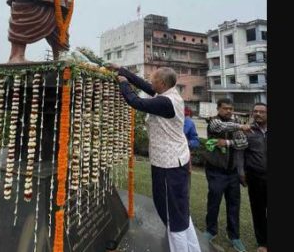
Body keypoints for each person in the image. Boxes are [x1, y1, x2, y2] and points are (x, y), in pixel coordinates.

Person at [109, 63, 201, 252]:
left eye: (154, 79)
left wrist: (123, 83)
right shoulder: (167, 94)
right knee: (180, 211)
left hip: (169, 165)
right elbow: (145, 86)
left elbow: (136, 102)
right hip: (173, 162)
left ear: (162, 83)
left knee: (170, 213)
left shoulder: (166, 102)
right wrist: (121, 70)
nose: (150, 81)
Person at [202, 98, 248, 252]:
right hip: (216, 171)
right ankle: (210, 231)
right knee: (214, 201)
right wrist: (240, 126)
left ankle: (234, 236)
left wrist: (227, 143)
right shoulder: (213, 122)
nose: (228, 111)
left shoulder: (235, 124)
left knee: (234, 204)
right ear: (218, 109)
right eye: (225, 108)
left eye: (230, 108)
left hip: (233, 172)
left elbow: (243, 143)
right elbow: (220, 127)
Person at [243, 103, 267, 252]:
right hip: (255, 177)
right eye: (255, 111)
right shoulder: (248, 131)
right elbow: (241, 153)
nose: (258, 114)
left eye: (262, 112)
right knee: (258, 211)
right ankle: (263, 243)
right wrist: (242, 172)